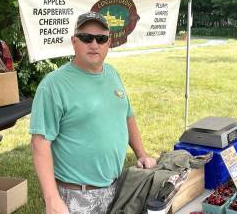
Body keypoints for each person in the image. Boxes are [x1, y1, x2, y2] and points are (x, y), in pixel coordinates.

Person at [30, 11, 156, 214]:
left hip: (116, 189)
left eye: (101, 38)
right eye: (86, 38)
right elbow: (40, 143)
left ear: (108, 43)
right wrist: (52, 198)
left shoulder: (112, 74)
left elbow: (127, 115)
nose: (94, 44)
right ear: (74, 41)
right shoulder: (53, 85)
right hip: (77, 196)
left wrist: (141, 153)